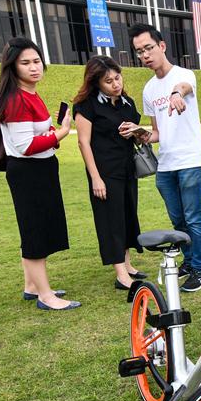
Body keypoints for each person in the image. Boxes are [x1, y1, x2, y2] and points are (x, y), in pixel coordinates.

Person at [0, 37, 79, 311]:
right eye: (25, 63)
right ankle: (45, 295)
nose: (33, 67)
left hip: (41, 169)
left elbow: (36, 136)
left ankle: (32, 286)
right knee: (35, 230)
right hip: (29, 172)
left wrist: (53, 135)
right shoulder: (16, 99)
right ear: (12, 67)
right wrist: (62, 132)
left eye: (36, 61)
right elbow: (26, 146)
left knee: (36, 227)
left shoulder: (30, 94)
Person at [125, 23, 201, 292]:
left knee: (195, 218)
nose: (145, 55)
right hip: (166, 165)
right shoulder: (149, 89)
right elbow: (158, 133)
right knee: (178, 220)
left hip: (191, 162)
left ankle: (200, 270)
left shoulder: (184, 75)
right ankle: (189, 260)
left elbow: (184, 87)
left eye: (148, 48)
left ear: (162, 46)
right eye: (139, 52)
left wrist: (175, 93)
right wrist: (140, 133)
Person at [72, 56, 146, 291]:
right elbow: (83, 143)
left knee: (126, 216)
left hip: (127, 169)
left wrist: (136, 130)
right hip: (104, 172)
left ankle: (127, 263)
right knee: (110, 220)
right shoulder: (87, 105)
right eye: (108, 81)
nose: (115, 84)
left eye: (117, 77)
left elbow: (138, 135)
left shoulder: (126, 103)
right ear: (96, 83)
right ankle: (121, 274)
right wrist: (95, 177)